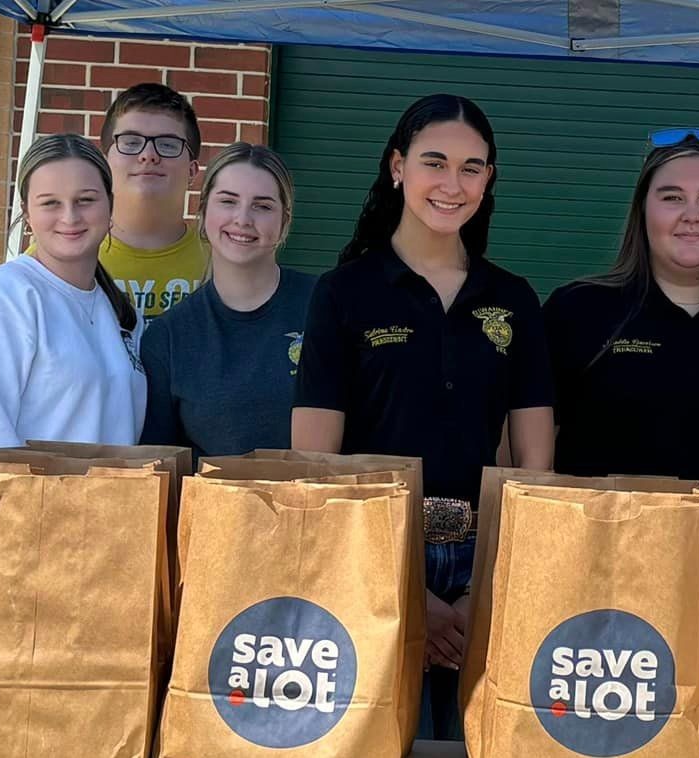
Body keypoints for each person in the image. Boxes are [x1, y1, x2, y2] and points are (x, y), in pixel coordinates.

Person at [289, 93, 553, 739]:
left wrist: (478, 591)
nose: (452, 183)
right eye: (435, 162)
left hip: (484, 564)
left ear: (489, 180)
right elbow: (317, 465)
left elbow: (537, 466)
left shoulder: (512, 298)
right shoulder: (344, 292)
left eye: (472, 167)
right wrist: (408, 588)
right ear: (397, 166)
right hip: (372, 559)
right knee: (370, 740)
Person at [544, 128, 699, 496]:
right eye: (672, 197)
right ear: (642, 208)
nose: (692, 215)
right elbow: (524, 457)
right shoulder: (575, 311)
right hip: (594, 549)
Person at [0, 134, 145, 455]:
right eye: (50, 203)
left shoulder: (121, 311)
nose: (70, 217)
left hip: (110, 502)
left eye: (86, 200)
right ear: (27, 213)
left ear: (110, 204)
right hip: (27, 503)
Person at [139, 143, 315, 456]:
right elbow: (162, 467)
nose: (243, 219)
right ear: (203, 210)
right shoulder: (168, 336)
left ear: (284, 221)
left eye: (262, 206)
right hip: (215, 504)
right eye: (228, 201)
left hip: (323, 502)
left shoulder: (325, 306)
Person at [98, 82, 208, 320]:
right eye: (130, 142)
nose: (148, 155)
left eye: (168, 144)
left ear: (192, 170)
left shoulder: (221, 262)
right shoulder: (58, 258)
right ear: (106, 161)